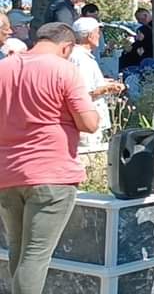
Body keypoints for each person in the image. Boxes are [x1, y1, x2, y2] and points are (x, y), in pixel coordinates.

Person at [0, 23, 100, 294]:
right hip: (51, 172)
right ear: (66, 47)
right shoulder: (64, 70)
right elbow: (89, 123)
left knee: (18, 250)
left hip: (6, 173)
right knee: (36, 254)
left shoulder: (4, 67)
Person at [70, 18, 124, 146]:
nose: (99, 36)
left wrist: (103, 82)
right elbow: (86, 93)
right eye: (97, 32)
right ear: (89, 36)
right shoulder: (83, 59)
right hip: (88, 120)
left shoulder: (75, 54)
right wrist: (110, 88)